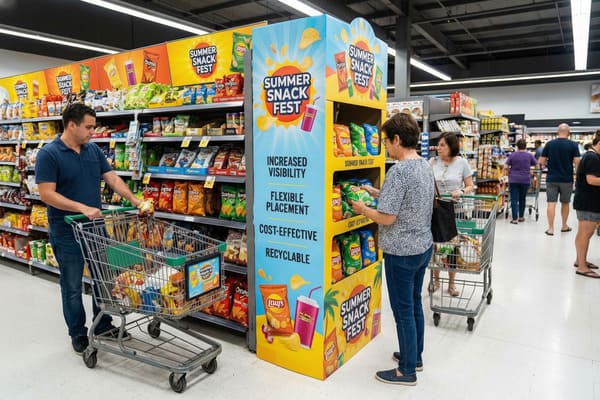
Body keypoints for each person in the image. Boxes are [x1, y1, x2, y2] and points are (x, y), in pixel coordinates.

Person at [36, 103, 149, 354]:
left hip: (96, 228)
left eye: (94, 127)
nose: (92, 131)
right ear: (71, 125)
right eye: (88, 127)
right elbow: (46, 194)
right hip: (66, 230)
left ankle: (103, 324)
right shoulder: (49, 154)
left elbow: (112, 178)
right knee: (73, 285)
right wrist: (81, 208)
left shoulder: (93, 150)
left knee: (103, 278)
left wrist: (135, 201)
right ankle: (77, 332)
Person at [350, 112, 434, 386]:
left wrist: (363, 209)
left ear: (398, 139)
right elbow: (410, 200)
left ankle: (406, 371)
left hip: (401, 253)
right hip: (422, 247)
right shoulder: (424, 165)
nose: (385, 146)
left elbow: (387, 218)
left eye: (386, 141)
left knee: (403, 310)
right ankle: (415, 356)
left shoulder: (398, 171)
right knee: (415, 305)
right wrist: (378, 193)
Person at [430, 132, 474, 296]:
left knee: (452, 247)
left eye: (443, 145)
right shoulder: (433, 162)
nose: (438, 148)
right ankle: (435, 280)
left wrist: (461, 190)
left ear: (451, 146)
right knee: (436, 245)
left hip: (454, 210)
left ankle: (452, 283)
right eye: (438, 145)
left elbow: (470, 185)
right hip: (435, 209)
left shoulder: (462, 163)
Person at [538, 124, 580, 235]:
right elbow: (577, 163)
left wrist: (546, 165)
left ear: (557, 132)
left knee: (551, 203)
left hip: (552, 178)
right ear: (569, 133)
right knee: (565, 203)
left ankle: (551, 228)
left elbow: (541, 161)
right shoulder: (573, 145)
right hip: (567, 179)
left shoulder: (550, 144)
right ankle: (564, 225)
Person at [573, 131, 600, 278]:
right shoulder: (592, 158)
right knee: (585, 234)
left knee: (584, 233)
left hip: (587, 200)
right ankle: (582, 267)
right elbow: (592, 180)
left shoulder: (591, 156)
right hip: (588, 201)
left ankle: (580, 260)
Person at [504, 139, 538, 224]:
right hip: (525, 180)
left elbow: (505, 166)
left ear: (517, 146)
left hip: (514, 179)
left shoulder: (513, 155)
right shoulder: (529, 155)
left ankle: (514, 218)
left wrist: (508, 172)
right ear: (525, 146)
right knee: (522, 198)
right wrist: (533, 172)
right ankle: (521, 217)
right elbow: (536, 164)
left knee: (514, 199)